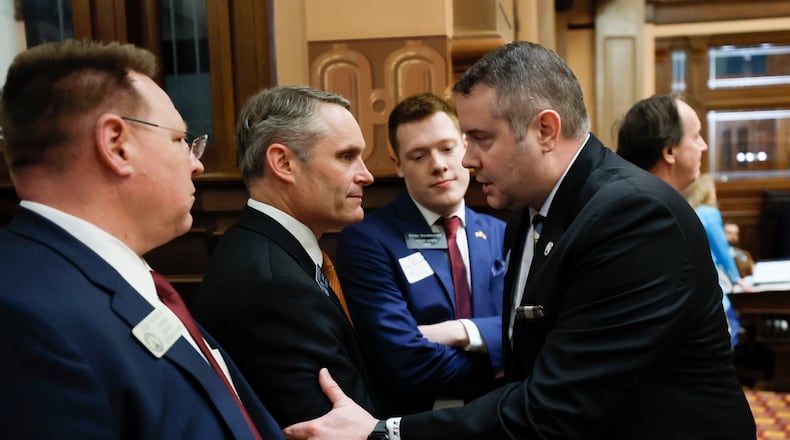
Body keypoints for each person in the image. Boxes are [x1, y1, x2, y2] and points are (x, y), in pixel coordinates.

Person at [283, 41, 755, 439]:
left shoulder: (632, 216)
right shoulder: (526, 215)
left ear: (545, 130)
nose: (465, 160)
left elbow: (556, 404)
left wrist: (385, 431)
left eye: (480, 138)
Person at [0, 40, 282, 439]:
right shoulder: (23, 316)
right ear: (117, 145)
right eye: (180, 140)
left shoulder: (116, 276)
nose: (196, 164)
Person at [191, 85, 377, 428]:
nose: (367, 175)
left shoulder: (259, 246)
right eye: (346, 156)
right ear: (283, 163)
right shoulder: (276, 285)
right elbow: (334, 429)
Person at [334, 93, 506, 416]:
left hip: (505, 416)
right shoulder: (367, 241)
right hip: (419, 421)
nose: (438, 165)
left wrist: (458, 331)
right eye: (418, 155)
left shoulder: (504, 234)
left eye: (447, 148)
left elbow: (538, 330)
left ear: (465, 146)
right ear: (398, 164)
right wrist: (504, 359)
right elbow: (403, 362)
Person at [681, 173, 750, 345]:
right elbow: (722, 250)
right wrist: (736, 278)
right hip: (709, 280)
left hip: (687, 281)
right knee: (729, 332)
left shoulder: (684, 208)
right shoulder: (709, 213)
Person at [616, 92, 707, 193]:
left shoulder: (631, 195)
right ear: (669, 151)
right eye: (696, 137)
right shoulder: (648, 202)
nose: (704, 146)